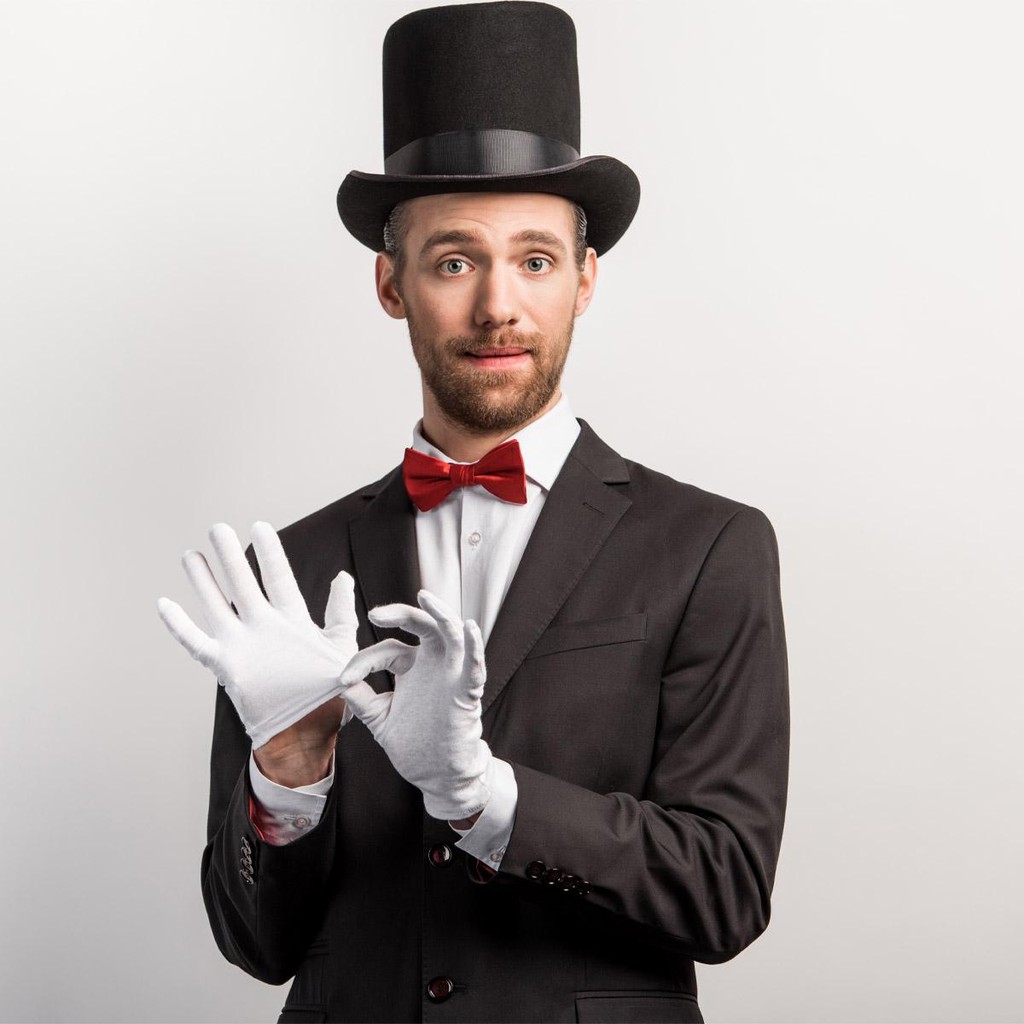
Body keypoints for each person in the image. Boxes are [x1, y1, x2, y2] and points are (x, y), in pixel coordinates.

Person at [158, 4, 789, 1022]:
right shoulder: (295, 572)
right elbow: (255, 944)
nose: (498, 304)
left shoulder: (709, 547)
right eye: (454, 261)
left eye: (535, 260)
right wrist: (287, 772)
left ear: (584, 280)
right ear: (391, 284)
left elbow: (725, 889)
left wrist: (481, 795)